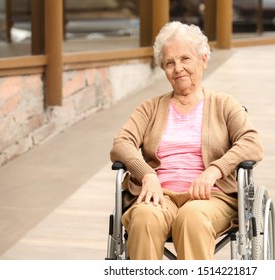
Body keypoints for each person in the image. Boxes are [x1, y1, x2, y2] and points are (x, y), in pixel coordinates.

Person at [110, 21, 263, 260]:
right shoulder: (149, 108)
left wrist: (215, 169)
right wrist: (147, 174)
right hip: (160, 195)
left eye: (185, 59)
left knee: (192, 218)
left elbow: (251, 142)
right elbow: (121, 143)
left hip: (211, 197)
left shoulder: (224, 104)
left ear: (203, 60)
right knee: (143, 218)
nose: (178, 68)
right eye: (169, 62)